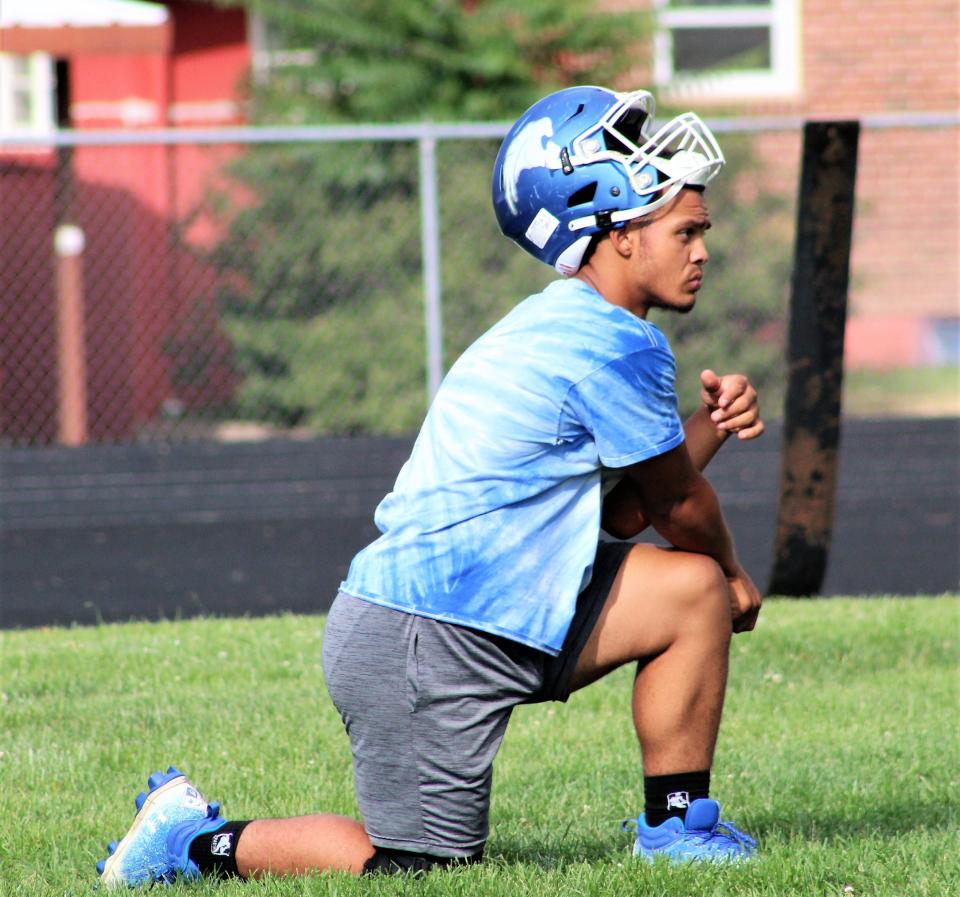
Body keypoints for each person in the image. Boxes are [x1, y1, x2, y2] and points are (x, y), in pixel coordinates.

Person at [96, 85, 765, 887]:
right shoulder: (612, 343)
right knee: (418, 866)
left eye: (702, 232)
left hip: (497, 611)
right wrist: (732, 568)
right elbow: (672, 505)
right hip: (423, 635)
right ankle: (191, 841)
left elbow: (625, 510)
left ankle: (677, 828)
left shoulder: (584, 326)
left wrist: (709, 428)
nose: (702, 250)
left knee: (685, 590)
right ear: (618, 236)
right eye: (685, 231)